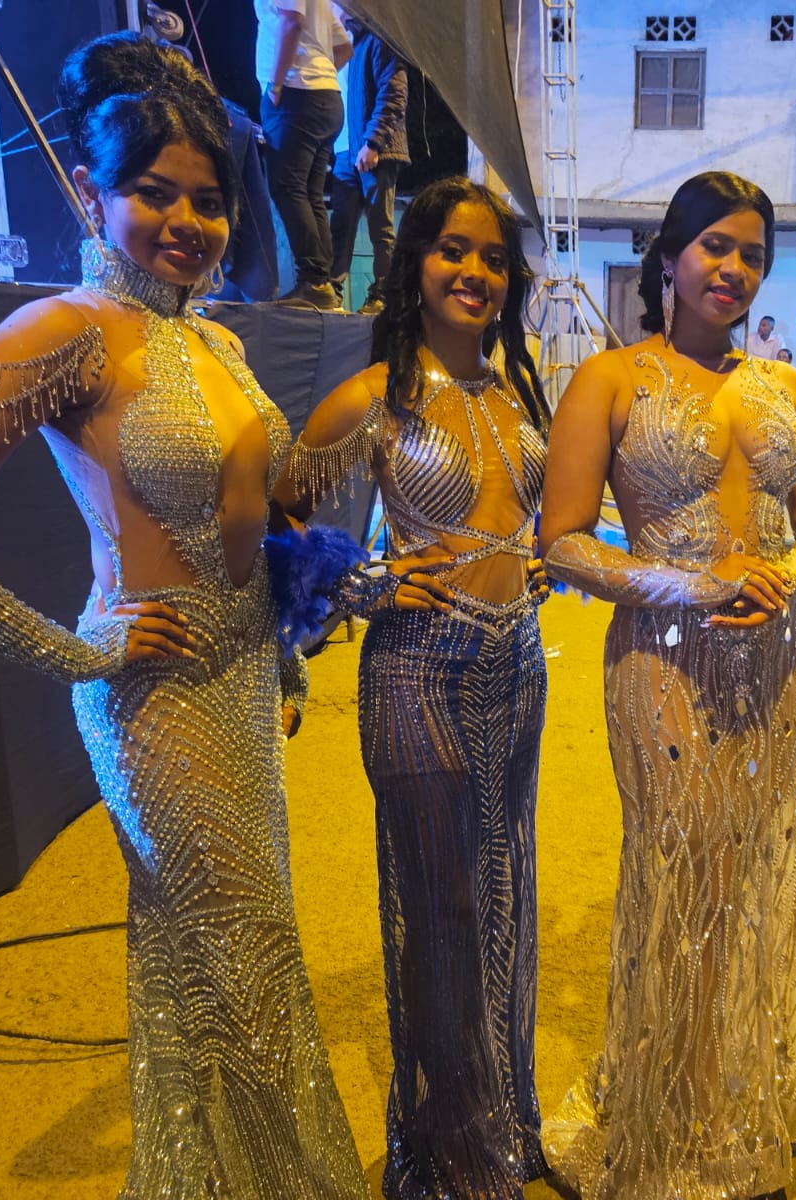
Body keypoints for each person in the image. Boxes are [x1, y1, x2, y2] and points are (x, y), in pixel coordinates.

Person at [0, 34, 369, 1197]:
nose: (188, 223)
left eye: (208, 200)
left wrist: (287, 659)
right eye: (155, 192)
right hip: (153, 700)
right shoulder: (62, 332)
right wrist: (76, 650)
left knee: (217, 964)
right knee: (244, 970)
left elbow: (251, 516)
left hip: (239, 685)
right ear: (86, 189)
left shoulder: (215, 337)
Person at [537, 170, 796, 1200]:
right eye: (715, 245)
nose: (734, 268)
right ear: (668, 258)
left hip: (775, 656)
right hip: (662, 656)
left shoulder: (785, 386)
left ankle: (724, 1088)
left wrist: (783, 575)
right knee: (683, 868)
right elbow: (562, 541)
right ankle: (670, 1106)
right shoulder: (610, 378)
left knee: (744, 867)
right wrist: (690, 583)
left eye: (752, 253)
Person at [276, 176, 551, 1200]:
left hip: (517, 667)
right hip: (415, 671)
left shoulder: (518, 393)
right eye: (453, 251)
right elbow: (279, 511)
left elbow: (533, 514)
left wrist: (539, 560)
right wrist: (366, 583)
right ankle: (459, 1159)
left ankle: (498, 1124)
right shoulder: (374, 397)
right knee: (441, 909)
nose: (475, 272)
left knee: (502, 893)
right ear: (415, 266)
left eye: (493, 258)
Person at [257, 0, 351, 310]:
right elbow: (344, 48)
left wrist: (277, 83)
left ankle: (313, 281)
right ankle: (322, 282)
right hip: (327, 97)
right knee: (310, 193)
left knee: (288, 187)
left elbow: (292, 22)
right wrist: (321, 74)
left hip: (297, 95)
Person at [329, 14, 408, 315]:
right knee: (341, 225)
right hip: (345, 151)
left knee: (381, 228)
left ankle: (384, 296)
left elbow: (394, 93)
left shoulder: (379, 39)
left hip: (375, 150)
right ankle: (331, 291)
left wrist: (374, 142)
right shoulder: (343, 46)